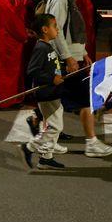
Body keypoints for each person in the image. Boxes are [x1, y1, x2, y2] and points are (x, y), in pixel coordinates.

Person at [46, 0, 112, 157]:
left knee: (54, 101)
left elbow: (70, 32)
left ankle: (48, 140)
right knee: (86, 101)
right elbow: (56, 31)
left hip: (71, 57)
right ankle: (91, 143)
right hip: (65, 59)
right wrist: (69, 57)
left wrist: (82, 53)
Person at [18, 14, 70, 169]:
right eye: (55, 26)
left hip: (54, 92)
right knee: (56, 127)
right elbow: (32, 70)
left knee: (53, 124)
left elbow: (50, 65)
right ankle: (29, 148)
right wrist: (51, 79)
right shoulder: (41, 48)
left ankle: (46, 157)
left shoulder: (48, 46)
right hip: (47, 93)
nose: (58, 29)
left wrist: (62, 67)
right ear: (45, 29)